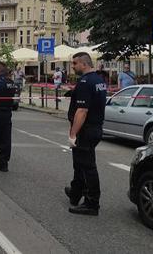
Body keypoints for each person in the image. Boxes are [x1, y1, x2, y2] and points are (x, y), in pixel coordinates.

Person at [64, 52, 107, 216]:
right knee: (80, 162)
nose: (73, 66)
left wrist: (73, 133)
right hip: (95, 127)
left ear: (84, 64)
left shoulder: (85, 82)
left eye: (75, 63)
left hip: (86, 130)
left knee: (88, 166)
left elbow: (82, 110)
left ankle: (92, 202)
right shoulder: (98, 80)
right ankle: (76, 191)